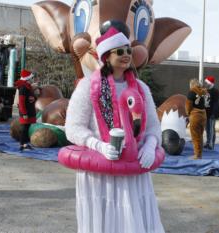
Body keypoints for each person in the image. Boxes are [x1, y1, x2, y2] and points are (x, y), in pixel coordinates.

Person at [65, 20, 165, 233]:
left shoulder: (141, 88)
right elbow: (73, 127)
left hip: (133, 169)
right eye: (119, 51)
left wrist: (150, 145)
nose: (126, 54)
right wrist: (98, 146)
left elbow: (153, 127)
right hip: (99, 173)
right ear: (106, 56)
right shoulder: (87, 86)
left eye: (128, 50)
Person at [14, 69, 36, 151]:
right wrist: (24, 113)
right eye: (31, 78)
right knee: (25, 128)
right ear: (27, 78)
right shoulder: (23, 88)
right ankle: (22, 144)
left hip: (29, 110)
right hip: (26, 112)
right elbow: (21, 101)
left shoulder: (27, 86)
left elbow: (29, 98)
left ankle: (25, 143)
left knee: (27, 127)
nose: (32, 79)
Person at [185, 79, 207, 160]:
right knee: (200, 136)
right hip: (203, 115)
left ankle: (197, 155)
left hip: (195, 115)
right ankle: (199, 154)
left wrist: (187, 114)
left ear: (192, 85)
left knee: (195, 136)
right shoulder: (204, 92)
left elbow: (188, 106)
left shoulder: (191, 92)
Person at [204, 75, 219, 150]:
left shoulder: (215, 91)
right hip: (206, 113)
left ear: (210, 83)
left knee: (211, 129)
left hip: (212, 113)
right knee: (207, 128)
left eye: (206, 83)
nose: (205, 84)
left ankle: (211, 144)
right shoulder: (205, 90)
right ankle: (207, 142)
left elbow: (216, 103)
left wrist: (214, 113)